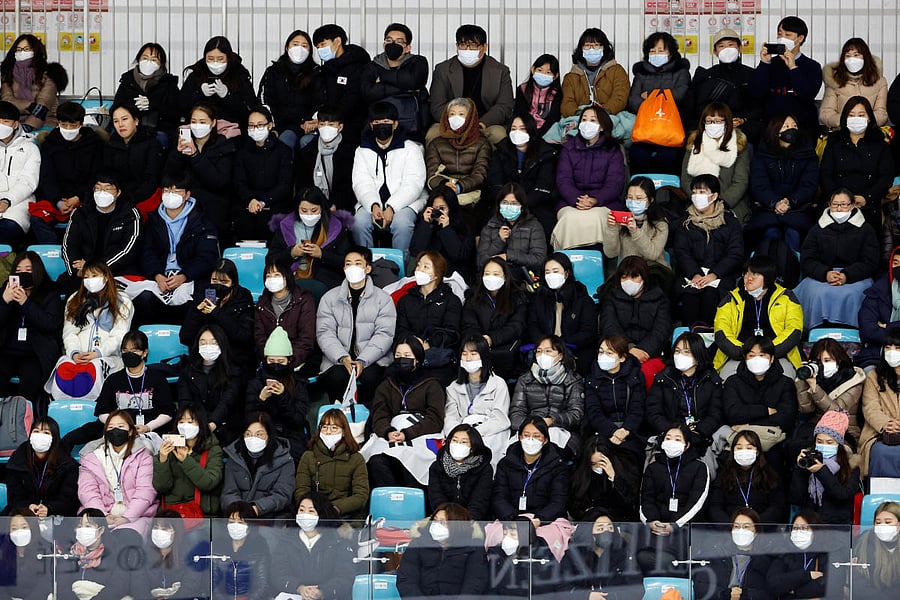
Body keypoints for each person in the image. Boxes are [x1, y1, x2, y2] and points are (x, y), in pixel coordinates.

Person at [63, 329, 175, 449]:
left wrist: (148, 427)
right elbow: (102, 412)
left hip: (149, 430)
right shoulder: (113, 379)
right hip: (117, 431)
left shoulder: (157, 378)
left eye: (134, 351)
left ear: (144, 353)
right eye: (125, 351)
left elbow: (167, 412)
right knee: (76, 440)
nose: (129, 354)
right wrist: (119, 426)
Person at [135, 171, 219, 325]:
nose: (170, 195)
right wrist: (157, 275)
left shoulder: (202, 221)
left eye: (176, 191)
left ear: (187, 195)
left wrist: (184, 276)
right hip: (160, 279)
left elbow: (207, 257)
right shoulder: (153, 220)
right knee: (143, 299)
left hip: (190, 278)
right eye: (167, 190)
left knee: (196, 303)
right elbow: (147, 252)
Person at [315, 246, 397, 405]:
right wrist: (343, 358)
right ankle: (339, 414)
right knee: (336, 377)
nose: (352, 267)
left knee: (371, 377)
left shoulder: (383, 299)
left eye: (358, 263)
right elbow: (324, 333)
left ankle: (370, 415)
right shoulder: (329, 298)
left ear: (368, 268)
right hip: (338, 359)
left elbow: (384, 334)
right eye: (348, 264)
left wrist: (363, 360)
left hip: (373, 360)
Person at [362, 336, 445, 488]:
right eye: (398, 356)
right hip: (391, 434)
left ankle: (413, 499)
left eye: (407, 356)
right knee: (377, 460)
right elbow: (379, 414)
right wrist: (388, 432)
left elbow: (435, 419)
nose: (402, 360)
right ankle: (391, 499)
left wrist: (407, 433)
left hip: (420, 434)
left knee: (412, 460)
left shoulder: (432, 384)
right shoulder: (386, 384)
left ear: (417, 359)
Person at [793, 188, 879, 329]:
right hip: (821, 276)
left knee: (854, 294)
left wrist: (847, 275)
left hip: (856, 277)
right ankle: (814, 333)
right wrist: (825, 273)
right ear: (829, 205)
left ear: (852, 205)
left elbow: (870, 261)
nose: (839, 209)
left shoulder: (866, 229)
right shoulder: (817, 228)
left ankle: (853, 334)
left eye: (843, 204)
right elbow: (807, 259)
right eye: (835, 204)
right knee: (817, 294)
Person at [48, 261, 133, 403]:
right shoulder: (74, 300)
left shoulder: (122, 301)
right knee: (63, 365)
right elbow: (69, 333)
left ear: (106, 277)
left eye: (94, 275)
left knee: (95, 367)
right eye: (86, 277)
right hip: (78, 357)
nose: (90, 280)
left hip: (108, 358)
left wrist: (98, 353)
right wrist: (74, 353)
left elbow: (119, 336)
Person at [351, 101, 427, 252]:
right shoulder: (362, 150)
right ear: (371, 125)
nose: (381, 126)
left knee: (402, 224)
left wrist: (392, 207)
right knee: (359, 223)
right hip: (371, 203)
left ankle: (400, 264)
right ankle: (365, 262)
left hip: (405, 203)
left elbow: (414, 183)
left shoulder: (411, 148)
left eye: (386, 122)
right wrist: (373, 205)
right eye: (377, 122)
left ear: (395, 124)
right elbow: (361, 182)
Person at [713, 254, 804, 378]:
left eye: (755, 274)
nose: (749, 278)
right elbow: (721, 333)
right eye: (746, 273)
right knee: (727, 377)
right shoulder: (730, 299)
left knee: (786, 377)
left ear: (768, 277)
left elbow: (794, 331)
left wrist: (767, 352)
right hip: (740, 357)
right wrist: (747, 353)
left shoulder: (787, 298)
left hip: (776, 356)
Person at [671, 174, 744, 327]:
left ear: (714, 196)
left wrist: (714, 274)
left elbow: (735, 253)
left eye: (702, 192)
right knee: (689, 298)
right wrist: (695, 274)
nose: (696, 196)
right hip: (691, 276)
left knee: (711, 296)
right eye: (694, 192)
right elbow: (681, 252)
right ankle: (689, 337)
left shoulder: (730, 222)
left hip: (721, 276)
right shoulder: (685, 222)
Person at [551, 104, 627, 250]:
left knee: (598, 217)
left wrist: (595, 199)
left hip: (604, 203)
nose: (587, 123)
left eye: (592, 120)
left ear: (602, 127)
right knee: (569, 218)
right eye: (584, 119)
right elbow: (563, 180)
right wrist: (578, 199)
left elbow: (615, 183)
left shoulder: (613, 150)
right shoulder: (568, 148)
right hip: (572, 202)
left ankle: (597, 257)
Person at [428, 24, 513, 146]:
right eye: (463, 45)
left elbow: (504, 106)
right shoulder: (443, 70)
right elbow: (437, 105)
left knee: (498, 135)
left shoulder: (500, 71)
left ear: (484, 47)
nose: (467, 50)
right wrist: (456, 122)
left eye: (473, 45)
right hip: (451, 122)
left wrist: (481, 123)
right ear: (457, 46)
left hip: (486, 123)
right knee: (433, 134)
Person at [31, 101, 104, 244]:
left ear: (81, 124)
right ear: (58, 123)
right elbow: (46, 177)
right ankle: (53, 250)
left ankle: (77, 252)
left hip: (85, 197)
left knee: (91, 218)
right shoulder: (49, 144)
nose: (68, 129)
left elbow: (96, 175)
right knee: (37, 219)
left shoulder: (95, 144)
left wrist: (79, 197)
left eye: (73, 125)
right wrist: (57, 201)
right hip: (55, 199)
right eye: (64, 125)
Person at [77, 410, 158, 537]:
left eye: (120, 426)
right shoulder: (91, 456)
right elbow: (87, 491)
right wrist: (102, 517)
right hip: (99, 516)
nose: (115, 430)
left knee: (124, 538)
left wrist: (127, 517)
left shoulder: (143, 456)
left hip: (136, 517)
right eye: (110, 427)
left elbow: (145, 491)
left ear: (130, 431)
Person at [819, 96, 894, 233]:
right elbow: (825, 173)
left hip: (868, 204)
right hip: (836, 205)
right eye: (851, 115)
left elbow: (886, 177)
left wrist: (866, 198)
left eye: (861, 115)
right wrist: (839, 201)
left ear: (869, 118)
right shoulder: (834, 142)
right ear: (845, 118)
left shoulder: (880, 145)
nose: (856, 119)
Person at [745, 113, 819, 252]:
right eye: (786, 126)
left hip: (799, 208)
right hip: (768, 208)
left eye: (794, 126)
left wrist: (790, 202)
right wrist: (775, 202)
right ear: (775, 131)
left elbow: (809, 185)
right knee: (770, 233)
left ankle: (794, 263)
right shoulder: (762, 155)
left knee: (794, 233)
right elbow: (759, 185)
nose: (791, 129)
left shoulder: (808, 154)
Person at [60, 171, 142, 292]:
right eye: (98, 188)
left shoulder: (130, 214)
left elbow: (128, 250)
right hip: (84, 272)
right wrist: (78, 271)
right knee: (65, 287)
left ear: (118, 192)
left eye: (107, 189)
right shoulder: (80, 213)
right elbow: (69, 245)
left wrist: (96, 268)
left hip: (117, 271)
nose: (101, 193)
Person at [165, 102, 237, 239]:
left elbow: (220, 181)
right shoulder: (182, 142)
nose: (197, 126)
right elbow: (170, 175)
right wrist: (177, 154)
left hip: (214, 204)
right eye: (194, 122)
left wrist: (195, 156)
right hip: (186, 201)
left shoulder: (224, 145)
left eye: (202, 122)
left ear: (213, 123)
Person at [269, 185, 354, 300]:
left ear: (322, 208)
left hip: (324, 278)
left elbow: (346, 261)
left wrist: (322, 254)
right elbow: (270, 259)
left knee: (313, 289)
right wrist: (292, 252)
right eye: (304, 211)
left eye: (314, 210)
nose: (309, 214)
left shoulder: (335, 227)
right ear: (297, 208)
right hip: (291, 276)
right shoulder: (286, 226)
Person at [646, 332, 724, 457]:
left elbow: (716, 413)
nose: (680, 355)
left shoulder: (711, 379)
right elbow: (653, 412)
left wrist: (699, 431)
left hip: (701, 436)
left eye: (686, 352)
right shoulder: (663, 378)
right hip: (669, 435)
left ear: (698, 355)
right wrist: (674, 431)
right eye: (677, 351)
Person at [0, 251, 62, 407]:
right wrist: (4, 301)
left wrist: (26, 303)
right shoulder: (6, 290)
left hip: (35, 353)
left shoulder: (50, 291)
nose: (23, 273)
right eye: (18, 270)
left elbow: (50, 324)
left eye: (28, 270)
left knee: (30, 380)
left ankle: (23, 417)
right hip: (6, 350)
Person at [722, 336, 798, 458]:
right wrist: (765, 411)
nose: (757, 360)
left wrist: (747, 425)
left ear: (772, 358)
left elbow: (786, 418)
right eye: (752, 355)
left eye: (762, 355)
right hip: (740, 439)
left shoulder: (785, 383)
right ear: (745, 358)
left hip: (773, 440)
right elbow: (733, 414)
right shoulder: (732, 382)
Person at [627, 32, 692, 175]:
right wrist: (663, 96)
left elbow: (679, 95)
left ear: (671, 53)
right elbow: (633, 101)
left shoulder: (681, 72)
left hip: (671, 130)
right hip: (645, 130)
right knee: (637, 153)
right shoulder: (641, 74)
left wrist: (649, 96)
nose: (656, 54)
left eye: (661, 50)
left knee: (668, 156)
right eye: (652, 51)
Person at [484, 113, 558, 238]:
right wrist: (508, 202)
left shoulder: (545, 153)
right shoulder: (500, 151)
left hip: (535, 204)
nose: (517, 132)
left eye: (522, 129)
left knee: (546, 225)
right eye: (513, 129)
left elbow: (544, 185)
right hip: (504, 203)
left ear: (531, 130)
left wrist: (521, 204)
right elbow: (495, 182)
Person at [509, 335, 585, 456]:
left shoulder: (573, 380)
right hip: (528, 429)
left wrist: (552, 420)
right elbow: (516, 412)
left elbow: (576, 414)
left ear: (560, 355)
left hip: (561, 430)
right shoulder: (525, 380)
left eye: (548, 351)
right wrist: (532, 426)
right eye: (539, 351)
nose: (542, 355)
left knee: (552, 452)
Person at [396, 250, 463, 385]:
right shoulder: (406, 300)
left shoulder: (451, 300)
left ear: (437, 274)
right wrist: (413, 344)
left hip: (438, 357)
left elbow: (452, 332)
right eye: (418, 265)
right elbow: (401, 329)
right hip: (409, 355)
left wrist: (429, 343)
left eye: (426, 266)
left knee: (434, 381)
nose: (419, 269)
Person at [443, 334, 511, 465]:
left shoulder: (498, 384)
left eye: (473, 354)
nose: (468, 358)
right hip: (461, 432)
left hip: (490, 431)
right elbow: (451, 416)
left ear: (484, 356)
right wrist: (458, 434)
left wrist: (474, 434)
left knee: (484, 453)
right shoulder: (453, 387)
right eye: (464, 354)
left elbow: (500, 419)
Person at [272, 493, 355, 598]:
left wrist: (322, 592)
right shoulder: (287, 540)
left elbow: (345, 576)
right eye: (301, 510)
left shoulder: (337, 541)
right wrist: (299, 588)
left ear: (321, 514)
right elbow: (278, 574)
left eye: (311, 511)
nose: (304, 515)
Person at [244, 326, 310, 461]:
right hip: (262, 433)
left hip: (290, 435)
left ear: (289, 360)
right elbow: (248, 418)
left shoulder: (298, 384)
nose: (275, 365)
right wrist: (261, 399)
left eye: (280, 362)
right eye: (271, 361)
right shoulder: (255, 383)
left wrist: (283, 396)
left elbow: (298, 420)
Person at [396, 503, 489, 597]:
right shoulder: (418, 544)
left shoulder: (474, 547)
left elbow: (475, 583)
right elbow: (406, 579)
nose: (436, 525)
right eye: (435, 520)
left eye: (443, 522)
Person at [180, 258, 255, 374]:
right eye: (214, 280)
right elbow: (185, 337)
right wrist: (197, 313)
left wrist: (216, 312)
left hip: (233, 359)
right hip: (204, 358)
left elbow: (244, 336)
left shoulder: (243, 297)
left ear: (233, 282)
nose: (218, 285)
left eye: (224, 282)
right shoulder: (203, 294)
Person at [750, 16, 823, 135]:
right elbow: (756, 92)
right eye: (779, 34)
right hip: (772, 124)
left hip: (803, 124)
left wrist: (793, 67)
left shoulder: (812, 66)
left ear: (800, 38)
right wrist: (764, 63)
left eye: (788, 35)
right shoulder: (771, 63)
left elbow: (807, 94)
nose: (782, 38)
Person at [688, 28, 762, 143]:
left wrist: (743, 120)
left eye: (730, 45)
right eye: (721, 46)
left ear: (740, 48)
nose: (726, 49)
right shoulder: (707, 75)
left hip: (743, 131)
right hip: (712, 130)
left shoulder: (752, 74)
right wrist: (717, 121)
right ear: (715, 52)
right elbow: (697, 108)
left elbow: (759, 106)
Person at [681, 101, 751, 223]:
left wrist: (720, 204)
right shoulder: (695, 143)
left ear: (727, 122)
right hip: (697, 203)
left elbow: (741, 181)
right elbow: (686, 178)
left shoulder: (738, 145)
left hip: (730, 205)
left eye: (718, 121)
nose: (713, 125)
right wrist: (699, 199)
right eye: (709, 121)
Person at [599, 256, 671, 374]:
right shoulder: (611, 297)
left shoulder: (660, 299)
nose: (628, 281)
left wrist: (643, 350)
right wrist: (628, 348)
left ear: (644, 277)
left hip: (649, 354)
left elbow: (661, 330)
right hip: (619, 352)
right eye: (624, 277)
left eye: (634, 276)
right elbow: (609, 326)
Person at [294, 408, 369, 519]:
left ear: (344, 431)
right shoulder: (308, 456)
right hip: (314, 513)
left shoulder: (356, 459)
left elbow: (361, 495)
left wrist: (334, 508)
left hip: (345, 514)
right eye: (324, 427)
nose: (328, 432)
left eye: (334, 428)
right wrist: (314, 508)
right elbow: (301, 490)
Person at [527, 252, 598, 371]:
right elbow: (532, 325)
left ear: (566, 273)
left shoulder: (582, 298)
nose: (551, 275)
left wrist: (561, 344)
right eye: (547, 272)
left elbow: (588, 332)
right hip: (544, 349)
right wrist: (547, 345)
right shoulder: (538, 298)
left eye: (555, 271)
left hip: (575, 350)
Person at [232, 105, 293, 242]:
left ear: (269, 125)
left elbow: (285, 184)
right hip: (249, 201)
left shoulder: (283, 151)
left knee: (269, 222)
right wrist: (250, 199)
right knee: (242, 220)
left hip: (274, 201)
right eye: (251, 125)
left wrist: (264, 201)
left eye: (260, 125)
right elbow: (239, 181)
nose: (255, 129)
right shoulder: (242, 151)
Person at [361, 22, 431, 142]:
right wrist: (407, 88)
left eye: (399, 41)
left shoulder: (418, 62)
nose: (393, 44)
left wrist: (382, 78)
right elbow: (368, 93)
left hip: (413, 130)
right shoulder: (372, 66)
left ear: (408, 48)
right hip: (378, 132)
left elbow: (414, 82)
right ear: (384, 45)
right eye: (389, 40)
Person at [425, 97, 492, 220]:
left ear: (470, 118)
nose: (456, 118)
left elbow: (480, 174)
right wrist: (445, 187)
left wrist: (459, 187)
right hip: (442, 195)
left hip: (470, 196)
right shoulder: (436, 144)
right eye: (452, 114)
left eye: (461, 114)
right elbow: (432, 174)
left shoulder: (482, 144)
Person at [492, 417, 570, 524]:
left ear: (545, 440)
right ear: (519, 437)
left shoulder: (557, 466)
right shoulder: (506, 464)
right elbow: (499, 497)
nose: (531, 440)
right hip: (511, 521)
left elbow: (558, 501)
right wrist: (512, 519)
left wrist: (540, 519)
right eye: (526, 435)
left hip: (545, 522)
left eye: (537, 436)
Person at [152, 403, 224, 517]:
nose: (185, 426)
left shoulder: (213, 449)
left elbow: (209, 483)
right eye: (181, 422)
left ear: (201, 424)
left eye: (190, 422)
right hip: (171, 513)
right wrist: (162, 460)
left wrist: (186, 460)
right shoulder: (169, 447)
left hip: (201, 514)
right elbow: (162, 487)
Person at [789, 410, 860, 524]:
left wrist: (821, 471)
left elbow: (842, 495)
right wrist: (801, 467)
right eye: (819, 441)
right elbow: (796, 497)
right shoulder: (810, 461)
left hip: (838, 525)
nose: (823, 445)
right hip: (811, 523)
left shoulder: (851, 466)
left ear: (839, 444)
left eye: (829, 442)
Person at [462, 257, 528, 378]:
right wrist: (479, 341)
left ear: (505, 277)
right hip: (479, 349)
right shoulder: (472, 298)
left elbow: (516, 326)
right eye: (487, 274)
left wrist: (492, 338)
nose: (491, 277)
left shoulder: (517, 297)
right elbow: (469, 324)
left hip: (506, 352)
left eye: (496, 274)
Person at [256, 30, 322, 151]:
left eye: (304, 46)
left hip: (307, 126)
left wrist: (313, 121)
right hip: (280, 126)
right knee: (285, 140)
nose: (299, 49)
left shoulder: (317, 73)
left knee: (307, 143)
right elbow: (265, 100)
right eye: (295, 44)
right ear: (287, 47)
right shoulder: (273, 72)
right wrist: (272, 126)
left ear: (310, 51)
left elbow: (321, 101)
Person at [583, 335, 647, 458]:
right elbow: (593, 411)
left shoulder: (635, 376)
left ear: (622, 357)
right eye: (601, 352)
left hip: (630, 430)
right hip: (602, 429)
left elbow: (637, 408)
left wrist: (625, 430)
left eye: (609, 353)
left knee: (629, 454)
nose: (603, 356)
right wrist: (613, 431)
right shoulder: (592, 378)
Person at [220, 413, 295, 518]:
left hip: (271, 519)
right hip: (238, 517)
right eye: (248, 434)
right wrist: (238, 509)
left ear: (269, 435)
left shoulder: (285, 460)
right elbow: (229, 492)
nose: (253, 438)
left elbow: (282, 495)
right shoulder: (234, 457)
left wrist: (256, 508)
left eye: (259, 434)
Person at [795, 338, 865, 447]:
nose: (822, 365)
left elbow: (837, 413)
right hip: (817, 426)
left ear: (839, 361)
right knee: (797, 445)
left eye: (827, 360)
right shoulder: (815, 377)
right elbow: (806, 409)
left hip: (845, 430)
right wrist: (802, 381)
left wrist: (815, 388)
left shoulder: (853, 380)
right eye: (818, 361)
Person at [178, 325, 241, 446]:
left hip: (224, 426)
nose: (208, 346)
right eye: (203, 342)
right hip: (195, 424)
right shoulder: (188, 369)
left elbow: (227, 402)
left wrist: (212, 423)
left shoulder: (233, 371)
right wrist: (193, 423)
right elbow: (184, 400)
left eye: (213, 342)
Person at [705, 429, 786, 523]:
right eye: (739, 448)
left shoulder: (769, 476)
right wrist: (731, 526)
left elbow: (777, 507)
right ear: (733, 451)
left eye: (749, 448)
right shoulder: (723, 475)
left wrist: (755, 525)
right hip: (729, 528)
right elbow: (715, 507)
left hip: (761, 528)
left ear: (757, 452)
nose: (744, 451)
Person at [639, 424, 711, 530]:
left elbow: (697, 502)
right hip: (655, 527)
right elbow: (646, 499)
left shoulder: (700, 467)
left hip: (687, 528)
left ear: (687, 445)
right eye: (668, 438)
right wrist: (652, 520)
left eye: (677, 439)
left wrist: (675, 524)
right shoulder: (652, 467)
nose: (671, 442)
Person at [4, 416, 79, 516]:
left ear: (54, 438)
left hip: (57, 514)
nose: (40, 436)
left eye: (46, 433)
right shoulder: (17, 460)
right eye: (36, 431)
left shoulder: (67, 464)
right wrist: (28, 506)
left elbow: (68, 498)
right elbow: (14, 496)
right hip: (24, 513)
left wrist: (50, 508)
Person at [601, 175, 671, 283]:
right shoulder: (621, 219)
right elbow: (611, 253)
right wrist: (611, 228)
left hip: (653, 272)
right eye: (630, 197)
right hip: (627, 273)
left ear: (651, 200)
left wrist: (635, 231)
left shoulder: (660, 224)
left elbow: (652, 255)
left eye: (639, 198)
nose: (633, 202)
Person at [312, 23, 371, 146]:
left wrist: (328, 119)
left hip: (353, 127)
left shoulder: (358, 66)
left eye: (323, 44)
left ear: (337, 41)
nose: (320, 50)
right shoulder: (325, 69)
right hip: (328, 125)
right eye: (318, 47)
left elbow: (352, 98)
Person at [693, 509, 772, 600]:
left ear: (756, 531)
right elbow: (700, 586)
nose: (741, 530)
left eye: (746, 527)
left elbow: (769, 593)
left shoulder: (765, 559)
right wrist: (726, 594)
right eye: (736, 526)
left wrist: (743, 594)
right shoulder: (718, 553)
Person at [253, 256, 316, 371]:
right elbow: (260, 338)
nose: (272, 279)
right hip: (270, 362)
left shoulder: (303, 300)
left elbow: (306, 339)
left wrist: (288, 362)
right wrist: (271, 361)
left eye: (276, 275)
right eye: (268, 276)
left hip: (296, 361)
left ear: (287, 277)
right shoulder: (262, 304)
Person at [178, 36, 255, 128]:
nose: (215, 63)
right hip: (199, 127)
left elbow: (249, 110)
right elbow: (181, 107)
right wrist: (199, 93)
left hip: (231, 128)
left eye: (220, 59)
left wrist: (227, 96)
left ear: (228, 58)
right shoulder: (196, 75)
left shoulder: (239, 75)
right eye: (210, 59)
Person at [102, 102, 164, 217]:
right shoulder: (111, 144)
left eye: (124, 119)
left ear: (136, 121)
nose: (120, 124)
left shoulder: (151, 143)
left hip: (142, 197)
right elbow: (108, 174)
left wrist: (129, 199)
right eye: (116, 121)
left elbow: (151, 179)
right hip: (117, 196)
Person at [561, 510, 641, 598]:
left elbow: (637, 589)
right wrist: (586, 596)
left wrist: (612, 596)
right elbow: (561, 588)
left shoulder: (623, 555)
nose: (606, 532)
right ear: (588, 532)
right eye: (600, 529)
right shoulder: (573, 556)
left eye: (610, 528)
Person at [113, 42, 180, 146]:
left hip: (159, 132)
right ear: (138, 60)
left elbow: (175, 111)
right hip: (131, 131)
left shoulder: (169, 83)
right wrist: (132, 108)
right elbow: (116, 107)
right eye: (145, 58)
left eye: (154, 60)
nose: (148, 62)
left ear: (161, 64)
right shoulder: (127, 81)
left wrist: (152, 104)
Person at [476, 182, 547, 278]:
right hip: (494, 276)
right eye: (505, 202)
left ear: (522, 206)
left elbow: (539, 260)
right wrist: (499, 241)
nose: (509, 206)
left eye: (514, 203)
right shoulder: (491, 226)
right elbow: (481, 262)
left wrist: (508, 256)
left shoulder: (534, 226)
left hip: (522, 278)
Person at [58, 509, 131, 600]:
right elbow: (62, 586)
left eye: (88, 526)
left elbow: (118, 585)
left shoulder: (117, 553)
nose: (82, 530)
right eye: (80, 526)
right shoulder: (70, 553)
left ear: (101, 530)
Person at [409, 185, 476, 282]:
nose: (438, 212)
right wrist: (425, 225)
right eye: (435, 208)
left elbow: (460, 256)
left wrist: (446, 229)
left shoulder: (465, 223)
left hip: (452, 276)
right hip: (427, 274)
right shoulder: (425, 223)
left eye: (442, 208)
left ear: (451, 208)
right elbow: (416, 251)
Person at [133, 512, 206, 600]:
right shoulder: (143, 554)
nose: (159, 532)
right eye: (156, 527)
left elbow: (190, 586)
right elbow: (139, 585)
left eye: (165, 529)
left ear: (176, 531)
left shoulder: (189, 554)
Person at [819, 37, 888, 129]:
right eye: (848, 56)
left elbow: (881, 113)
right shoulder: (834, 81)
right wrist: (846, 120)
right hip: (842, 131)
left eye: (856, 55)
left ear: (865, 57)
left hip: (870, 131)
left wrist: (864, 120)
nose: (852, 59)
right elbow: (825, 113)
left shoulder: (879, 82)